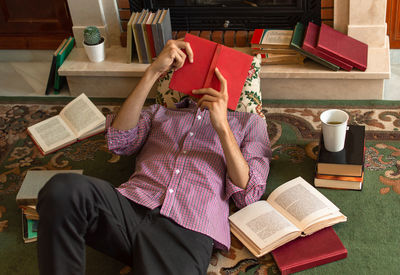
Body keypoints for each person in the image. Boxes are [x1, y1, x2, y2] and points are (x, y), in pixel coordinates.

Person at [37, 39, 272, 275]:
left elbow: (247, 193)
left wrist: (222, 127)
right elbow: (119, 140)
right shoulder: (159, 112)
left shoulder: (250, 124)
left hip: (187, 229)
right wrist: (152, 72)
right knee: (62, 189)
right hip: (130, 206)